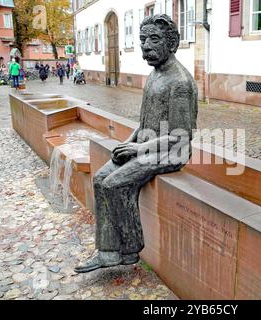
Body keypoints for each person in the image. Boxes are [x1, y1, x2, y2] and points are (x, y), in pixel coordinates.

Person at [74, 14, 198, 273]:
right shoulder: (154, 76)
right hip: (146, 146)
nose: (146, 46)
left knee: (116, 183)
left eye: (154, 39)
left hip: (170, 151)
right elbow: (144, 123)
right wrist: (128, 143)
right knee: (100, 179)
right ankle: (107, 251)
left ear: (171, 43)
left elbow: (180, 136)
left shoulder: (180, 83)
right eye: (143, 40)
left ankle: (130, 248)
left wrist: (139, 149)